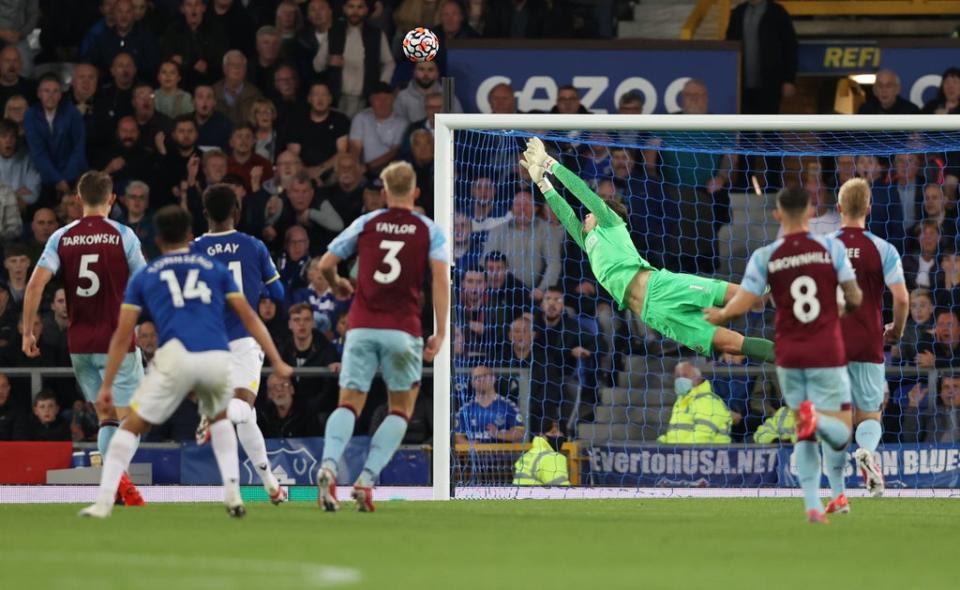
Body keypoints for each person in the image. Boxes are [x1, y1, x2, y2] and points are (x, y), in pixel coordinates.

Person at [78, 205, 294, 519]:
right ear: (189, 235)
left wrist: (107, 384)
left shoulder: (147, 274)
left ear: (158, 239)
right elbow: (250, 316)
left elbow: (123, 334)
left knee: (134, 424)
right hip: (214, 352)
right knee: (222, 418)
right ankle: (233, 497)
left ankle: (103, 502)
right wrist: (276, 359)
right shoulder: (212, 268)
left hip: (175, 355)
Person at [521, 137, 775, 362]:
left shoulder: (611, 224)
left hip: (659, 286)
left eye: (592, 212)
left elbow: (582, 193)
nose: (586, 214)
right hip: (654, 313)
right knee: (730, 343)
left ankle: (780, 290)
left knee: (736, 294)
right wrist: (543, 183)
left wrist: (550, 164)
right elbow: (565, 214)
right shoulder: (589, 242)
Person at [704, 186, 862, 523]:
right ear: (809, 213)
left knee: (802, 429)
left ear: (777, 215)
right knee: (840, 432)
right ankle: (819, 428)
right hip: (826, 350)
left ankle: (812, 505)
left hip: (789, 354)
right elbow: (854, 297)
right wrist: (840, 309)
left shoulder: (766, 256)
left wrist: (721, 315)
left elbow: (748, 300)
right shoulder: (831, 247)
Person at [315, 160, 448, 512]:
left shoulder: (366, 222)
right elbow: (440, 280)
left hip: (361, 326)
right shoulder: (428, 229)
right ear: (416, 192)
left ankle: (328, 465)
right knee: (401, 409)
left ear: (385, 193)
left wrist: (338, 284)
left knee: (349, 402)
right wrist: (441, 331)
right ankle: (366, 480)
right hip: (403, 330)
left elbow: (325, 264)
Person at [22, 171, 148, 506]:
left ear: (78, 200)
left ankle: (115, 482)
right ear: (112, 200)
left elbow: (35, 285)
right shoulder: (124, 235)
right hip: (116, 342)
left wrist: (27, 331)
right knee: (132, 420)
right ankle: (119, 479)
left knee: (107, 418)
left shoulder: (62, 236)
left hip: (79, 345)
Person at [191, 184, 289, 504]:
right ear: (237, 211)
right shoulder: (253, 246)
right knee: (242, 406)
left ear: (205, 214)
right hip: (244, 339)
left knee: (248, 418)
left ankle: (271, 485)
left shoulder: (193, 249)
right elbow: (278, 295)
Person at [832, 178, 909, 499]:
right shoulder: (883, 248)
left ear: (838, 208)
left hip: (829, 345)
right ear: (868, 208)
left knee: (838, 416)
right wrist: (897, 331)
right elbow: (902, 299)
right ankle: (866, 451)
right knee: (869, 414)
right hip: (868, 342)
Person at [24, 73, 86, 207]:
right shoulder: (31, 115)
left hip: (73, 177)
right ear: (39, 93)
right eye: (46, 91)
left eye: (55, 91)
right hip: (45, 177)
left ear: (60, 94)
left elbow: (78, 148)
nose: (51, 95)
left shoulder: (72, 113)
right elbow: (38, 152)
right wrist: (57, 179)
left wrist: (66, 179)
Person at [725, 0, 797, 114]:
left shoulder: (777, 12)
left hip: (771, 82)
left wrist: (789, 79)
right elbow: (729, 45)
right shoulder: (738, 12)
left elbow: (790, 47)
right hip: (742, 84)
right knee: (746, 127)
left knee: (770, 127)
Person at [658, 362, 733, 443]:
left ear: (698, 378)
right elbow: (673, 434)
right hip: (678, 454)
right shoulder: (680, 402)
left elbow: (702, 438)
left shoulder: (708, 401)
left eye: (685, 375)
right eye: (677, 376)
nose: (680, 379)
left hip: (708, 454)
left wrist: (675, 453)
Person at [454, 365, 524, 444]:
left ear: (493, 379)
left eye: (484, 376)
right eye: (476, 377)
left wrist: (498, 434)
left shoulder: (509, 406)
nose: (481, 380)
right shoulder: (465, 410)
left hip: (503, 455)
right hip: (474, 455)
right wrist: (470, 444)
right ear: (472, 383)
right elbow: (457, 437)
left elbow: (519, 433)